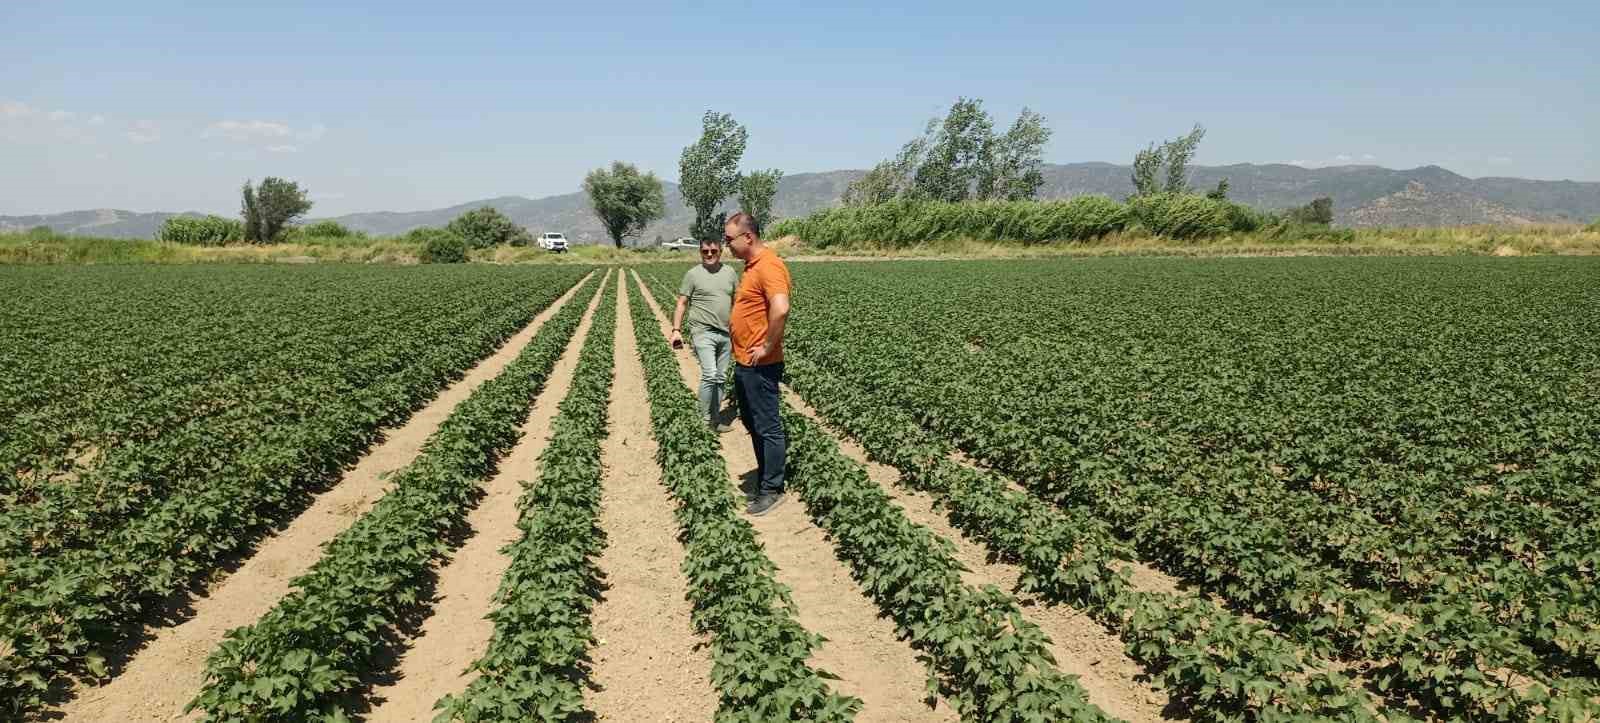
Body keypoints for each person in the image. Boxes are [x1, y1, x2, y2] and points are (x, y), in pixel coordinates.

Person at [724, 212, 791, 516]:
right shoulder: (751, 267)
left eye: (729, 240)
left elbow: (780, 308)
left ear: (747, 237)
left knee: (767, 425)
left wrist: (766, 346)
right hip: (744, 362)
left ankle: (772, 489)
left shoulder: (770, 265)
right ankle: (765, 477)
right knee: (753, 423)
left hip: (760, 364)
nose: (727, 246)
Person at [670, 237, 739, 432]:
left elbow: (738, 301)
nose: (709, 254)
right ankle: (704, 421)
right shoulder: (693, 274)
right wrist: (676, 331)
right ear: (700, 252)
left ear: (721, 251)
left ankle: (715, 419)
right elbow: (682, 303)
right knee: (710, 374)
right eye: (705, 251)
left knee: (721, 376)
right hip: (702, 331)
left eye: (713, 251)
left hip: (725, 333)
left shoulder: (730, 273)